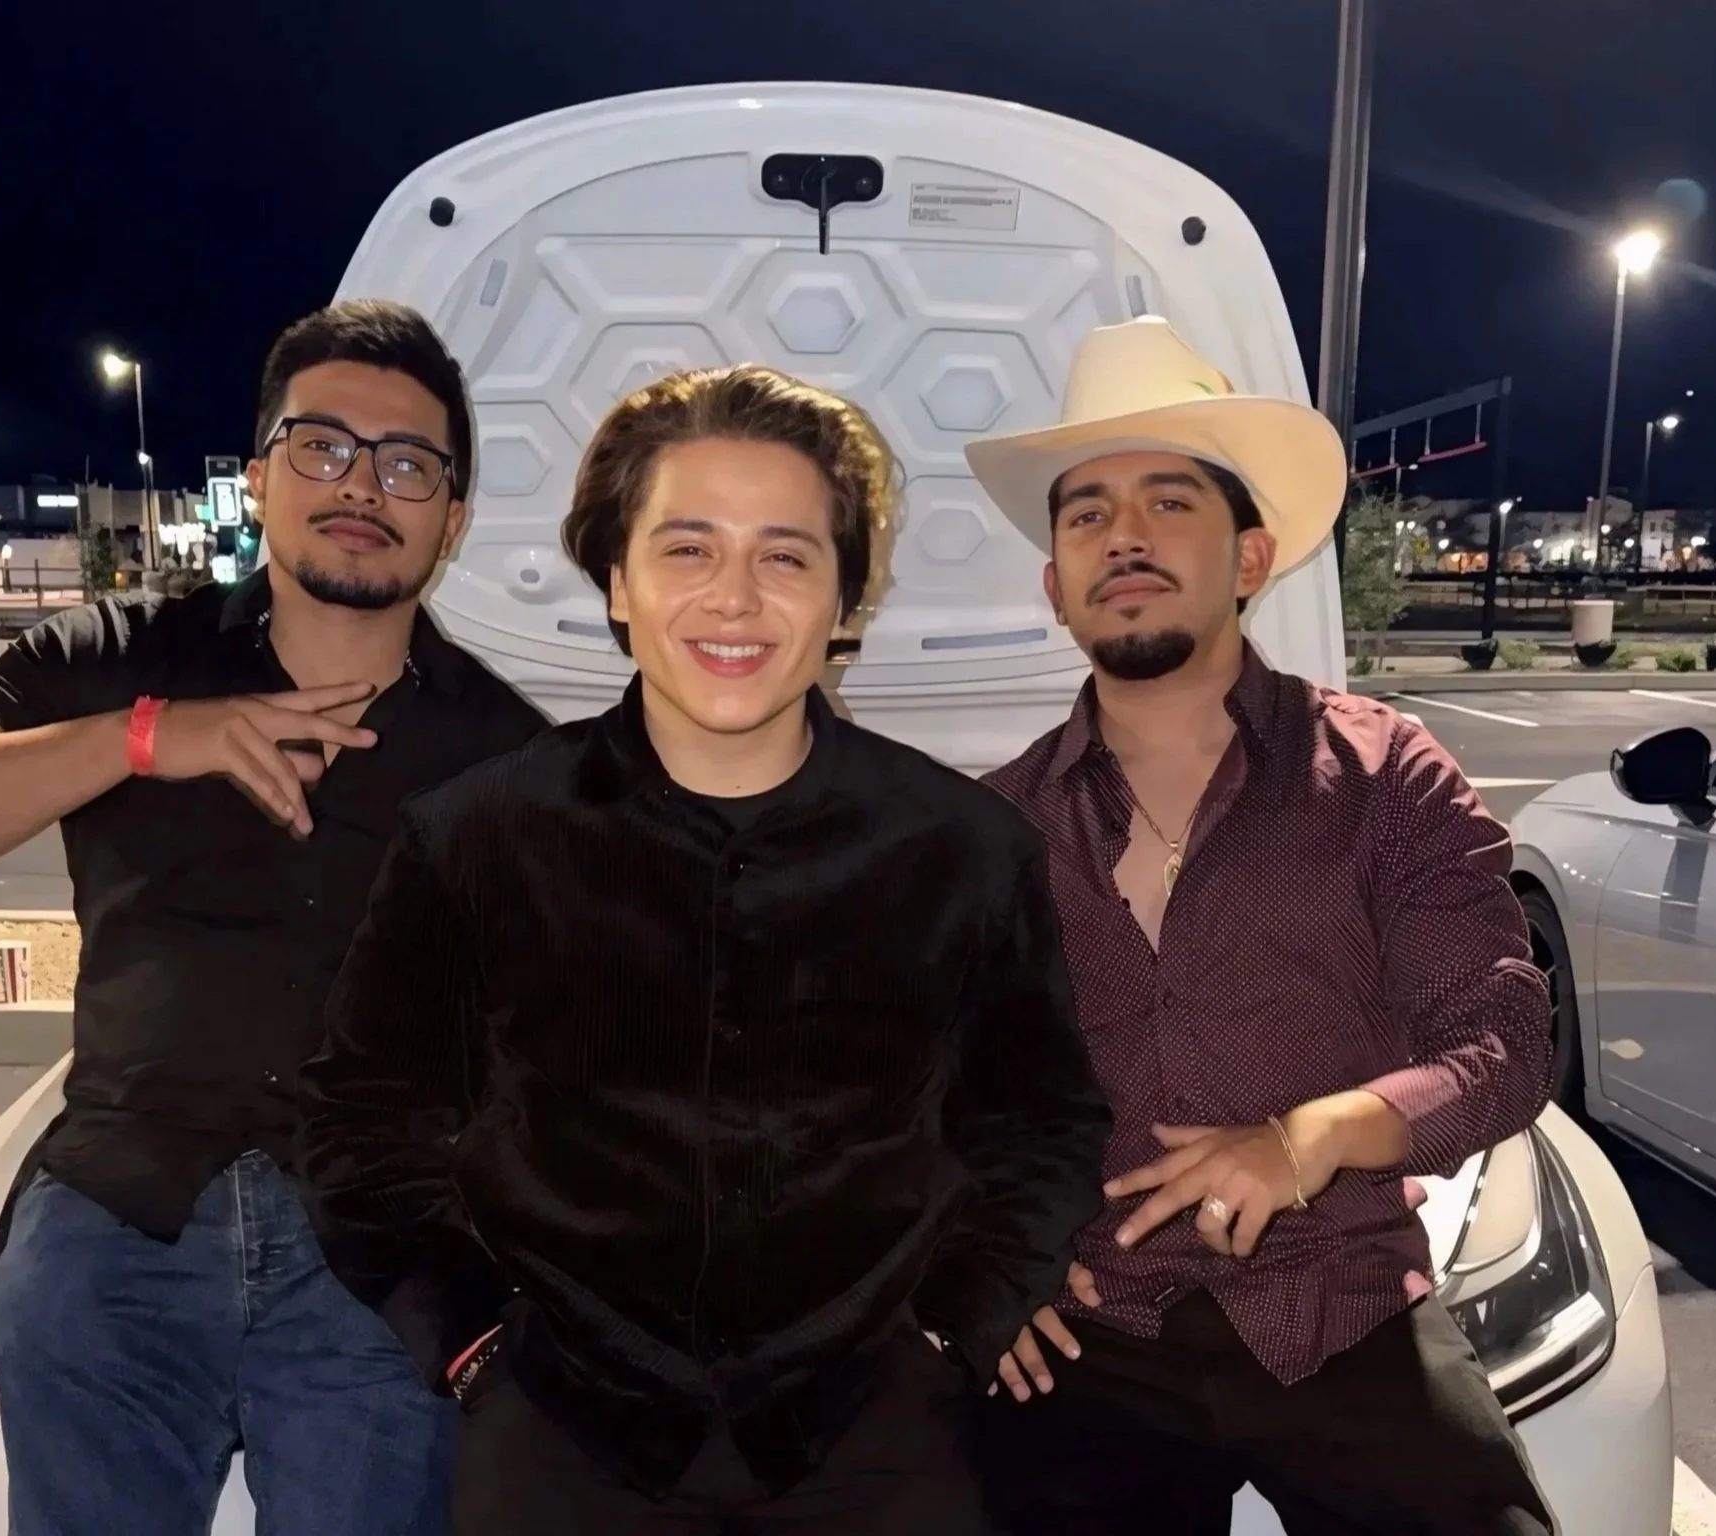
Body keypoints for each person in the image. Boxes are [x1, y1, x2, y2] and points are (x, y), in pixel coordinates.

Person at [296, 363, 1111, 1536]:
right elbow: (361, 1118)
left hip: (868, 1432)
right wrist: (471, 1343)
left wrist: (955, 1330)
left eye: (784, 556)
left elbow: (1041, 1125)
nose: (733, 598)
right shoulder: (474, 838)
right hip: (564, 1428)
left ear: (843, 602)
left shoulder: (964, 850)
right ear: (617, 581)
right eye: (686, 549)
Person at [0, 299, 547, 1536]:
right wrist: (149, 738)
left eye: (407, 463)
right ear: (259, 476)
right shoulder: (111, 655)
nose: (361, 485)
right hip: (119, 1206)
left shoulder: (511, 755)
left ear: (453, 518)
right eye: (321, 446)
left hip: (374, 1243)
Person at [962, 316, 1558, 1535]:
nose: (1120, 534)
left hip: (1338, 1301)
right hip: (1090, 1328)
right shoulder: (989, 828)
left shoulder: (1385, 772)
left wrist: (1306, 1139)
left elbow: (1501, 1039)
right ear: (1054, 586)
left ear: (1249, 557)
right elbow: (927, 1093)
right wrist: (971, 1266)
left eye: (1166, 501)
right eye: (1084, 515)